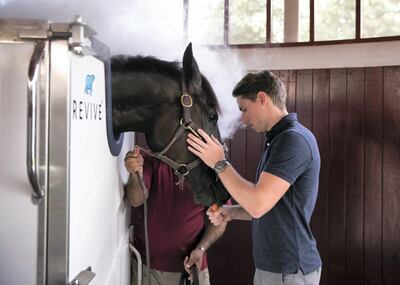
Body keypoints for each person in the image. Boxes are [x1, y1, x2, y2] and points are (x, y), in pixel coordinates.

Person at [186, 70, 322, 285]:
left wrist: (219, 163)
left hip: (289, 270)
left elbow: (258, 204)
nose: (243, 119)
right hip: (276, 268)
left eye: (244, 109)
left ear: (262, 98)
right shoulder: (279, 140)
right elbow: (271, 206)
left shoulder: (293, 141)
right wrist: (231, 213)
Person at [124, 147, 227, 285]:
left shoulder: (208, 166)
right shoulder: (152, 157)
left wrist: (201, 248)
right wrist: (135, 174)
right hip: (146, 269)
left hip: (189, 271)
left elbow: (221, 218)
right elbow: (136, 200)